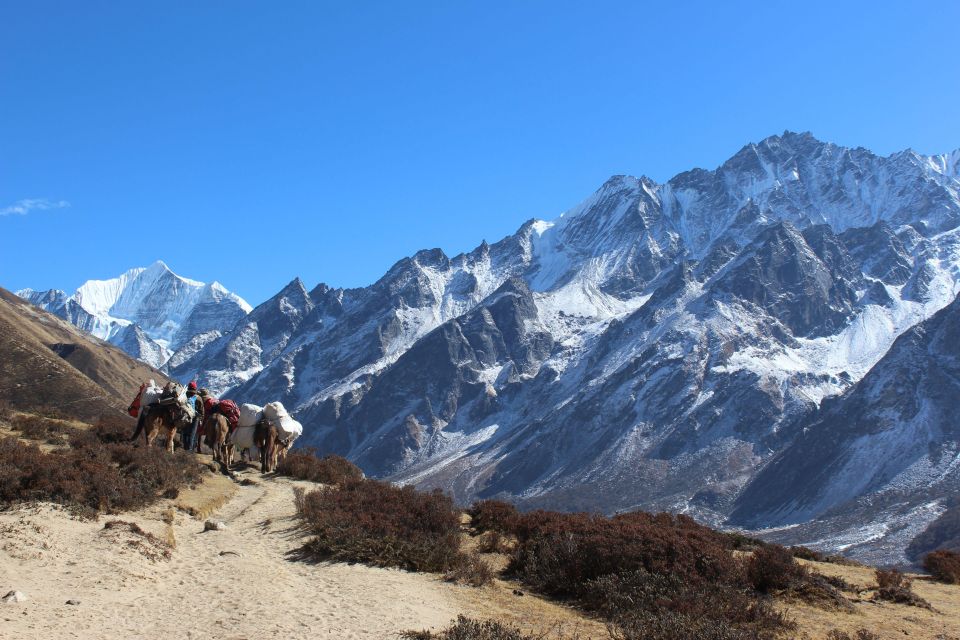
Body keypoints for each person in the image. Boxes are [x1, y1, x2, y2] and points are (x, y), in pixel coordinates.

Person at [181, 381, 204, 452]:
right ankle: (189, 450)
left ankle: (184, 447)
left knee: (184, 432)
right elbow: (202, 410)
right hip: (195, 418)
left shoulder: (184, 395)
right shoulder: (198, 398)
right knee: (192, 434)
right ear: (195, 388)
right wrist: (201, 419)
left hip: (185, 416)